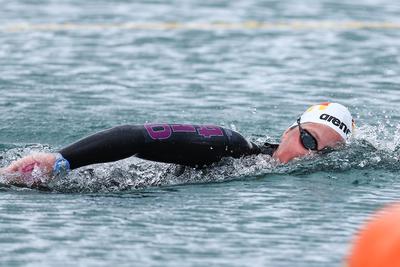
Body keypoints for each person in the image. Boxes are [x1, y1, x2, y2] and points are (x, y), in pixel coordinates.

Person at [0, 102, 354, 187]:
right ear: (289, 129)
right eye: (308, 139)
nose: (308, 155)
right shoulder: (229, 147)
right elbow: (137, 135)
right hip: (88, 181)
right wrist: (58, 161)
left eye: (323, 153)